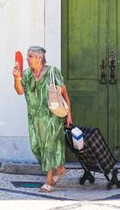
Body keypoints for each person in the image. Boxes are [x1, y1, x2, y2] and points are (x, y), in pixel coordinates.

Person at [13, 46, 73, 193]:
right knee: (36, 146)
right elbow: (20, 91)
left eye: (30, 56)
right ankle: (59, 168)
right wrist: (16, 78)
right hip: (34, 117)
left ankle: (48, 182)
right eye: (27, 56)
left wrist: (69, 114)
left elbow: (64, 93)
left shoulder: (53, 72)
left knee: (49, 147)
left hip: (51, 117)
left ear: (39, 58)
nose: (27, 59)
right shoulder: (26, 74)